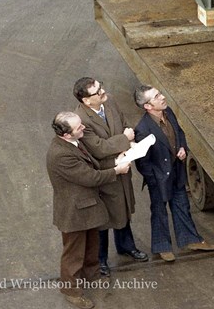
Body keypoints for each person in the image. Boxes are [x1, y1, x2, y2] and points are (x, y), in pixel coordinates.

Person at [46, 112, 130, 309]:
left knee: (91, 245)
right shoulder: (60, 154)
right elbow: (90, 177)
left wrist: (114, 162)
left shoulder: (74, 142)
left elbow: (94, 163)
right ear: (66, 134)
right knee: (73, 254)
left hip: (87, 206)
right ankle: (71, 291)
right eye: (78, 127)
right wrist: (116, 171)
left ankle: (92, 276)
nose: (83, 128)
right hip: (74, 211)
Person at [73, 77, 147, 278]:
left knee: (123, 209)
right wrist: (125, 140)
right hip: (106, 173)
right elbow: (98, 147)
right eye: (97, 91)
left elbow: (124, 124)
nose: (103, 91)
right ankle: (100, 260)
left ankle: (126, 246)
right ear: (87, 101)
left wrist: (124, 143)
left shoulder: (109, 101)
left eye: (101, 86)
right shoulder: (82, 120)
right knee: (104, 220)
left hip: (123, 166)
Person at [133, 85, 214, 262]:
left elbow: (179, 132)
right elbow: (142, 163)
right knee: (159, 212)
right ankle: (162, 246)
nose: (162, 97)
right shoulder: (143, 129)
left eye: (160, 93)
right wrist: (154, 179)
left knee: (182, 206)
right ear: (148, 106)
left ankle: (191, 240)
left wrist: (182, 147)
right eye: (157, 96)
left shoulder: (168, 111)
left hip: (176, 171)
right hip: (159, 179)